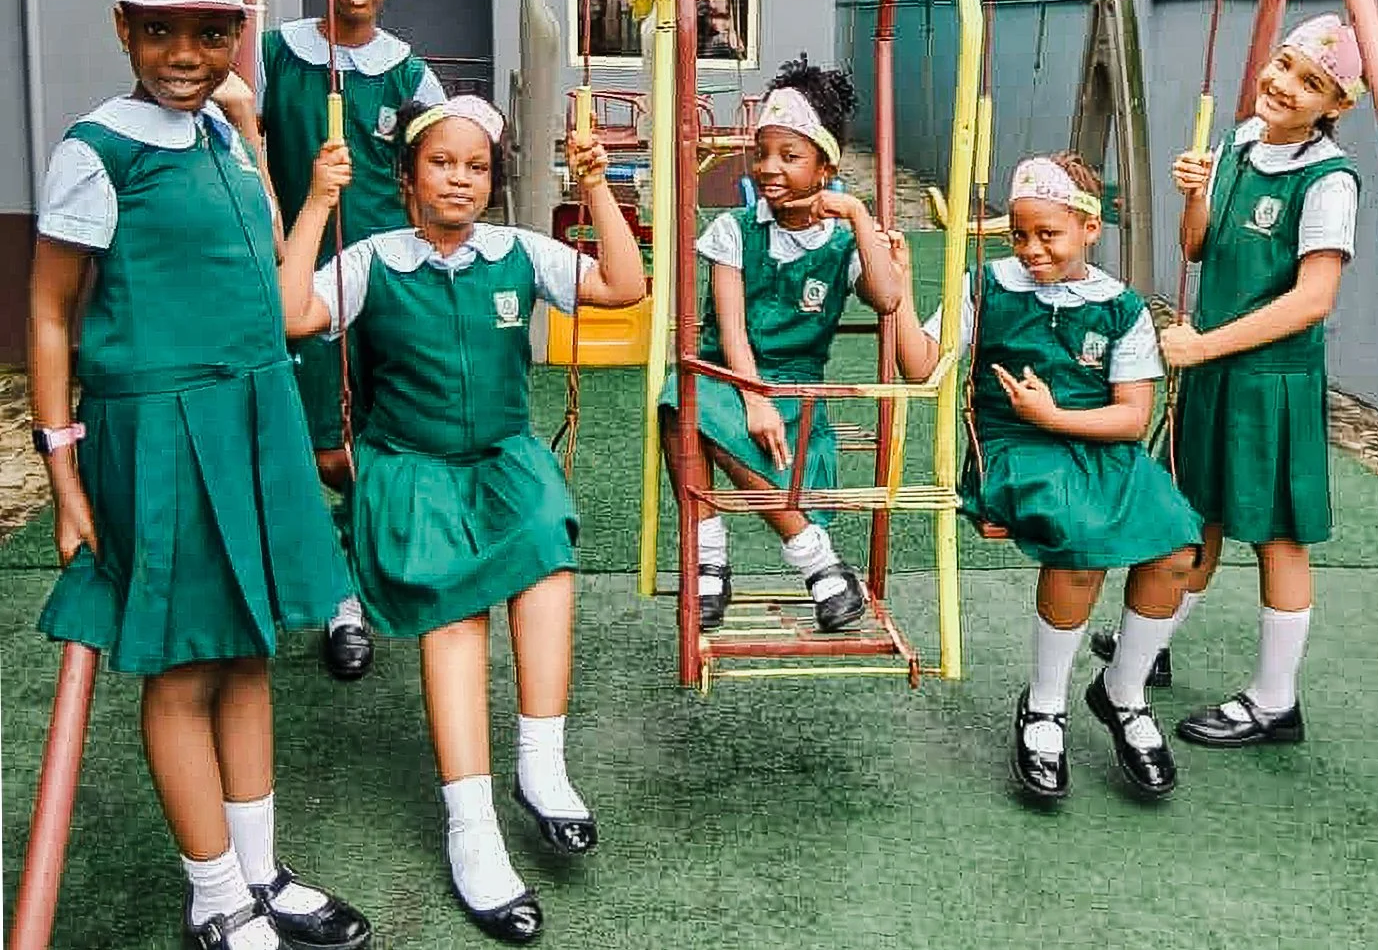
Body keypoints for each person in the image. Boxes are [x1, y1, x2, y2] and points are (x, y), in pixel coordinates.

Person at [29, 0, 370, 950]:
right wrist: (66, 474)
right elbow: (49, 312)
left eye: (212, 34)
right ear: (122, 29)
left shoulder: (225, 130)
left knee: (249, 649)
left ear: (236, 35)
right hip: (160, 425)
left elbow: (265, 250)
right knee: (182, 667)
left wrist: (255, 130)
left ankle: (262, 870)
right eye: (160, 33)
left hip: (252, 410)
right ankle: (215, 891)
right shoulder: (96, 151)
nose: (187, 57)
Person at [280, 95, 645, 943]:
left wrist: (594, 191)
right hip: (413, 470)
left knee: (549, 552)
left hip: (504, 461)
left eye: (476, 166)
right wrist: (317, 203)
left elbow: (624, 286)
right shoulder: (374, 259)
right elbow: (291, 313)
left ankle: (541, 764)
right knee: (454, 618)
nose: (460, 178)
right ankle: (471, 825)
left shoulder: (516, 252)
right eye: (442, 163)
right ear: (407, 180)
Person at [891, 154, 1203, 801]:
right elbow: (920, 366)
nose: (1031, 249)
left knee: (1178, 543)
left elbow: (1130, 416)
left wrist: (1057, 411)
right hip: (1015, 446)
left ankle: (1122, 689)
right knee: (1078, 541)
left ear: (1089, 229)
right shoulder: (988, 287)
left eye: (1048, 235)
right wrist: (896, 294)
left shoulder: (1119, 307)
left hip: (1094, 442)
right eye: (1020, 235)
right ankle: (1045, 703)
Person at [1093, 15, 1363, 748]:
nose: (1284, 85)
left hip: (1267, 379)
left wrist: (1204, 342)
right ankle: (1148, 645)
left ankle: (1276, 699)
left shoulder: (1329, 179)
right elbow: (1198, 246)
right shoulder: (1239, 139)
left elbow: (1313, 299)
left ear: (1334, 106)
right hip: (1209, 365)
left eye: (1312, 83)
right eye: (1284, 65)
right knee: (1194, 514)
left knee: (1277, 537)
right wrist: (1194, 192)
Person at [221, 0, 446, 682]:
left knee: (378, 435)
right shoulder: (276, 53)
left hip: (381, 278)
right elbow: (238, 127)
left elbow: (439, 160)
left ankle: (349, 593)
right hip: (295, 270)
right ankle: (314, 578)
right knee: (316, 445)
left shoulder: (406, 69)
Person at [659, 57, 902, 634]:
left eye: (789, 156)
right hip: (729, 376)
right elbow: (732, 328)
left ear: (825, 167)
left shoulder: (843, 242)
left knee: (712, 422)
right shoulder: (734, 230)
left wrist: (860, 216)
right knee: (678, 402)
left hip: (797, 390)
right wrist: (752, 397)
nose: (769, 168)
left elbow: (888, 299)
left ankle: (798, 563)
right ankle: (745, 557)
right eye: (762, 152)